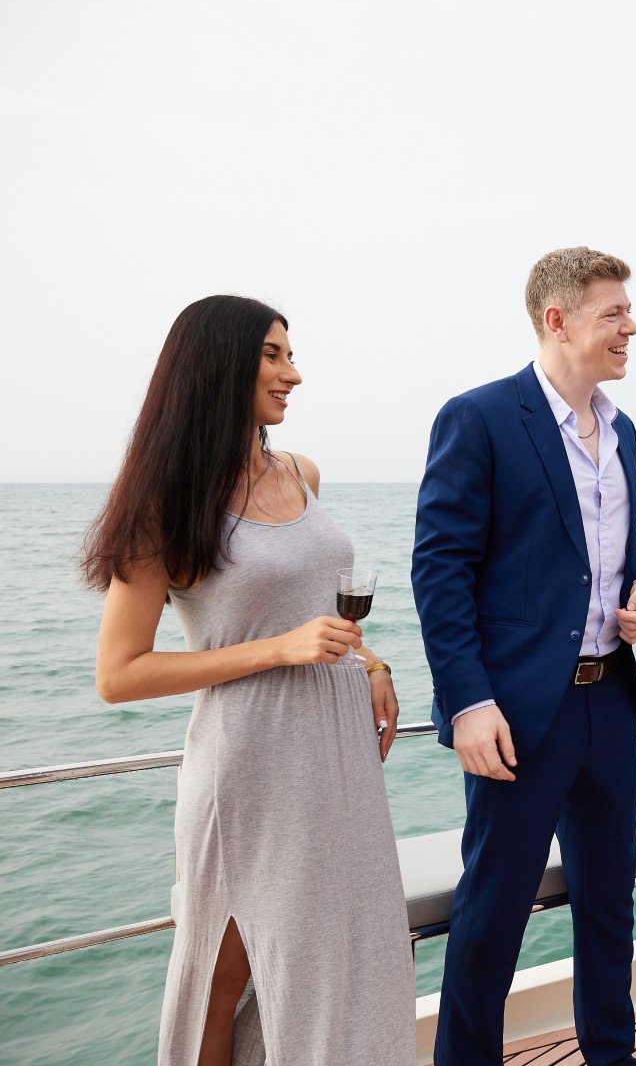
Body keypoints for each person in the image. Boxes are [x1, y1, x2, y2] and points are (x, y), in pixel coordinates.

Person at [85, 295, 414, 1065]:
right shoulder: (165, 504)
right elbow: (118, 673)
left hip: (336, 756)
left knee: (346, 954)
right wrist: (277, 650)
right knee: (225, 977)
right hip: (249, 767)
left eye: (290, 355)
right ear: (216, 366)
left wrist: (370, 661)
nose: (293, 373)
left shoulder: (302, 472)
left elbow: (311, 608)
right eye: (273, 355)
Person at [412, 248, 636, 1066]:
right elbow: (439, 569)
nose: (631, 327)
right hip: (516, 715)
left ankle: (611, 1057)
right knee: (493, 913)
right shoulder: (479, 417)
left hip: (607, 705)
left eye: (628, 312)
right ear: (558, 321)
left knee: (609, 907)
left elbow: (627, 544)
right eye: (613, 313)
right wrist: (468, 702)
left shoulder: (622, 430)